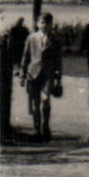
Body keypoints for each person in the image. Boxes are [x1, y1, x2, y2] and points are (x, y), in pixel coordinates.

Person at [19, 12, 62, 142]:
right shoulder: (31, 38)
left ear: (51, 25)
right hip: (33, 73)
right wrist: (22, 73)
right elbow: (25, 56)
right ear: (37, 24)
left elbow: (58, 60)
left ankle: (45, 125)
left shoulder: (54, 39)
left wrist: (58, 78)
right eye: (42, 22)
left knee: (45, 99)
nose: (44, 26)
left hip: (48, 74)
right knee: (35, 103)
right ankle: (37, 129)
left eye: (47, 23)